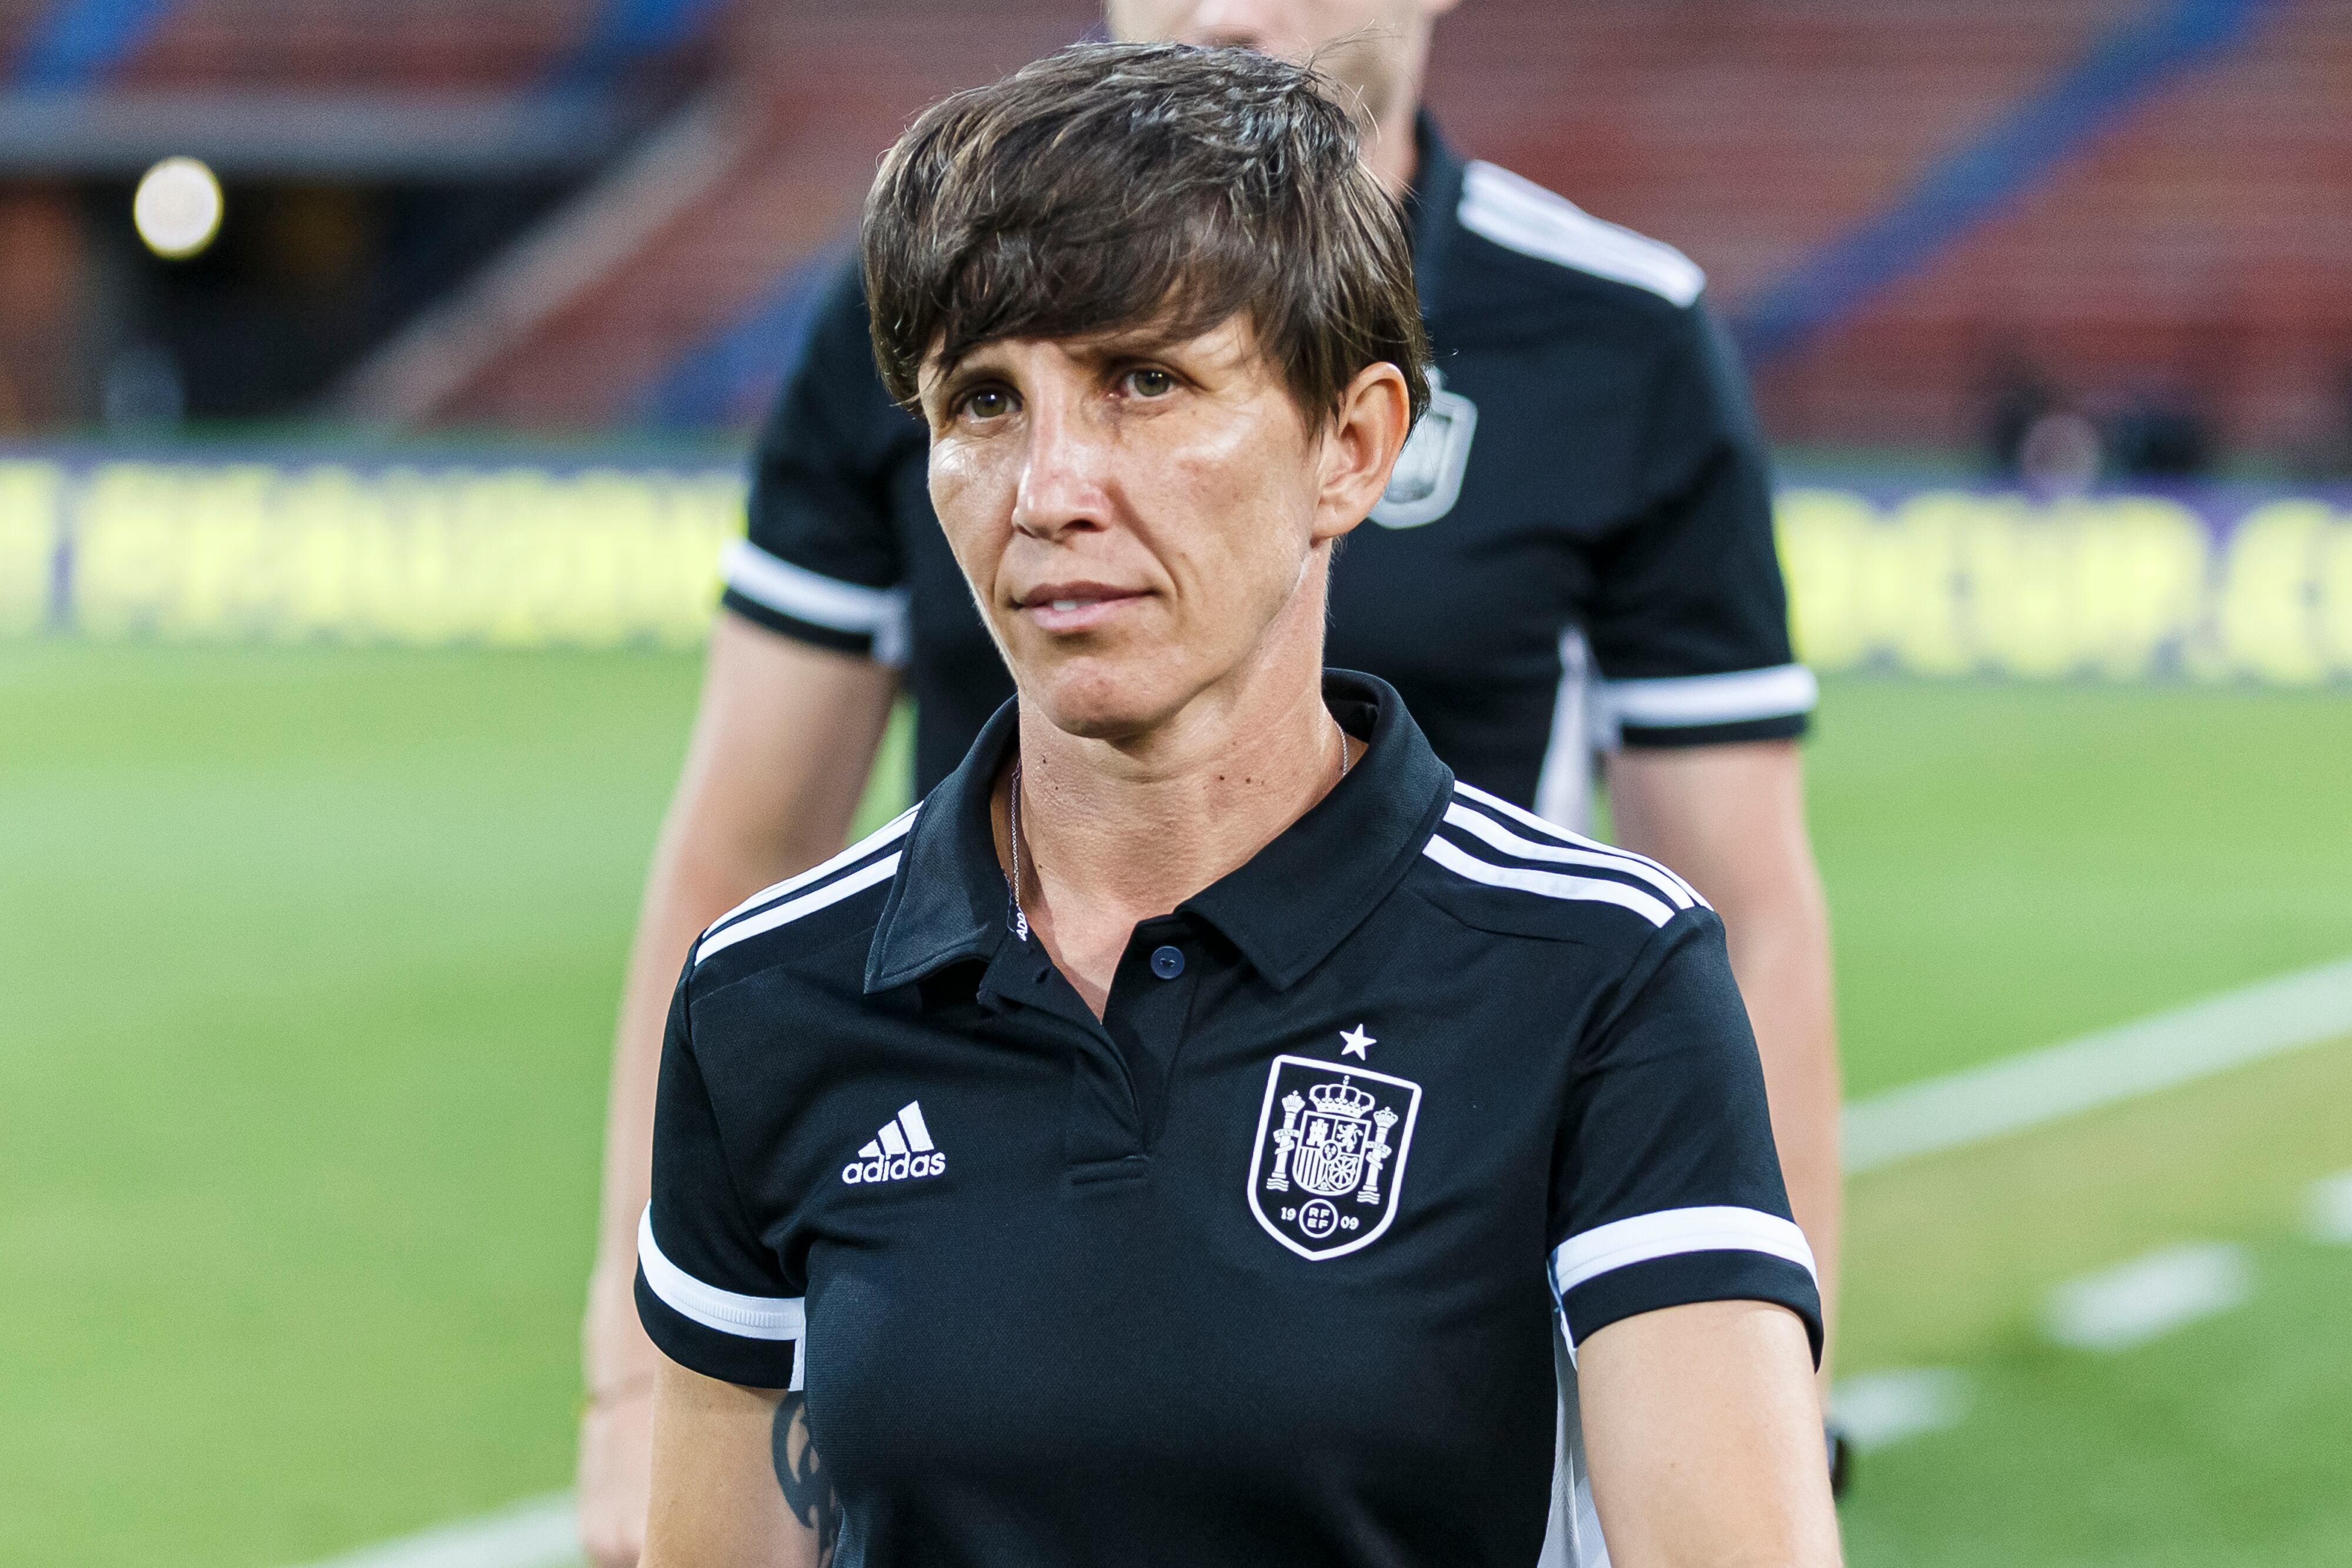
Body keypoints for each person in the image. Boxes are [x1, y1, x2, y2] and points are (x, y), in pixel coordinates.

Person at [582, 3, 1844, 1561]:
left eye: (1146, 383)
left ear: (1357, 447)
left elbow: (1756, 891)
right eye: (983, 399)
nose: (1050, 492)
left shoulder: (1607, 984)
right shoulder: (769, 1001)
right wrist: (621, 1382)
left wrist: (1786, 1368)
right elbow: (746, 832)